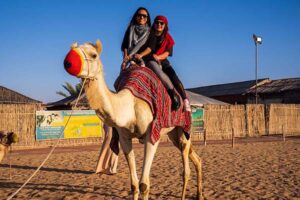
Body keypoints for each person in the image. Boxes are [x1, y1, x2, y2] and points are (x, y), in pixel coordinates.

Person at [134, 15, 191, 111]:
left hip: (162, 61)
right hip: (147, 60)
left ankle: (184, 99)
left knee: (174, 77)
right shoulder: (148, 34)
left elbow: (167, 53)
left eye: (161, 23)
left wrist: (158, 57)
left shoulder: (168, 38)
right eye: (157, 22)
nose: (159, 25)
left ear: (165, 25)